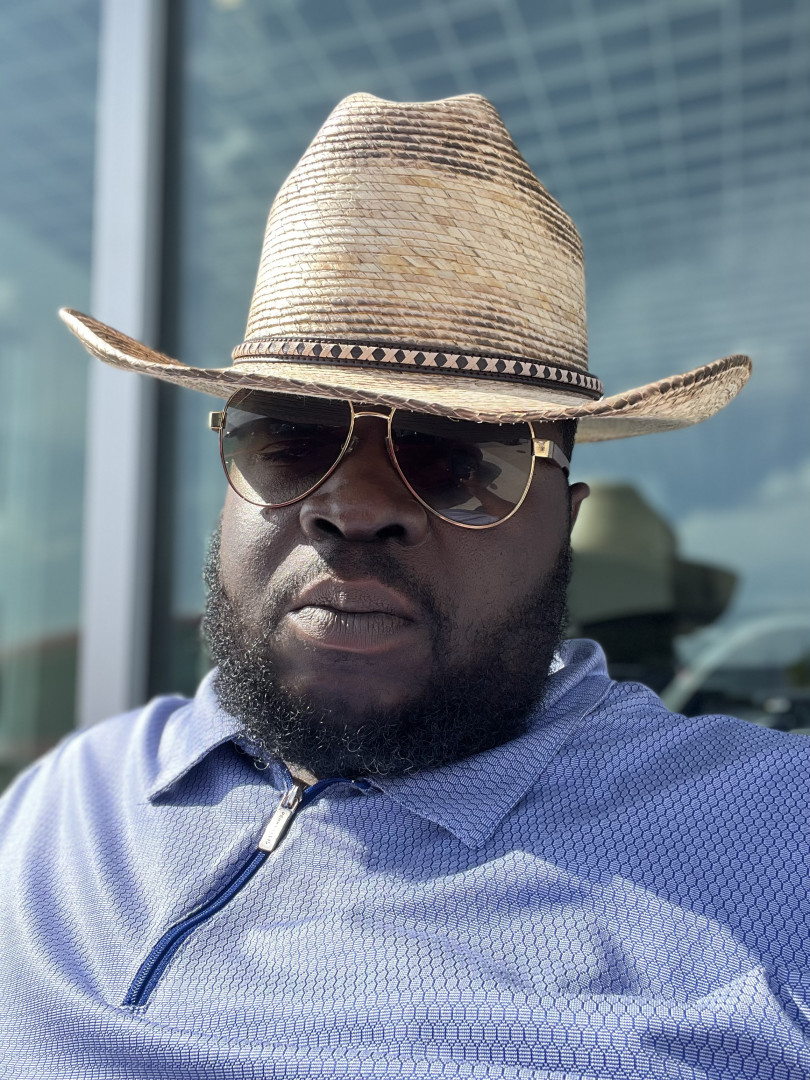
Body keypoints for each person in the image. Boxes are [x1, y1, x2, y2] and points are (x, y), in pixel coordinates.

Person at [0, 93, 807, 1080]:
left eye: (455, 458)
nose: (352, 508)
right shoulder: (68, 798)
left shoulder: (777, 837)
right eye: (289, 438)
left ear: (565, 520)